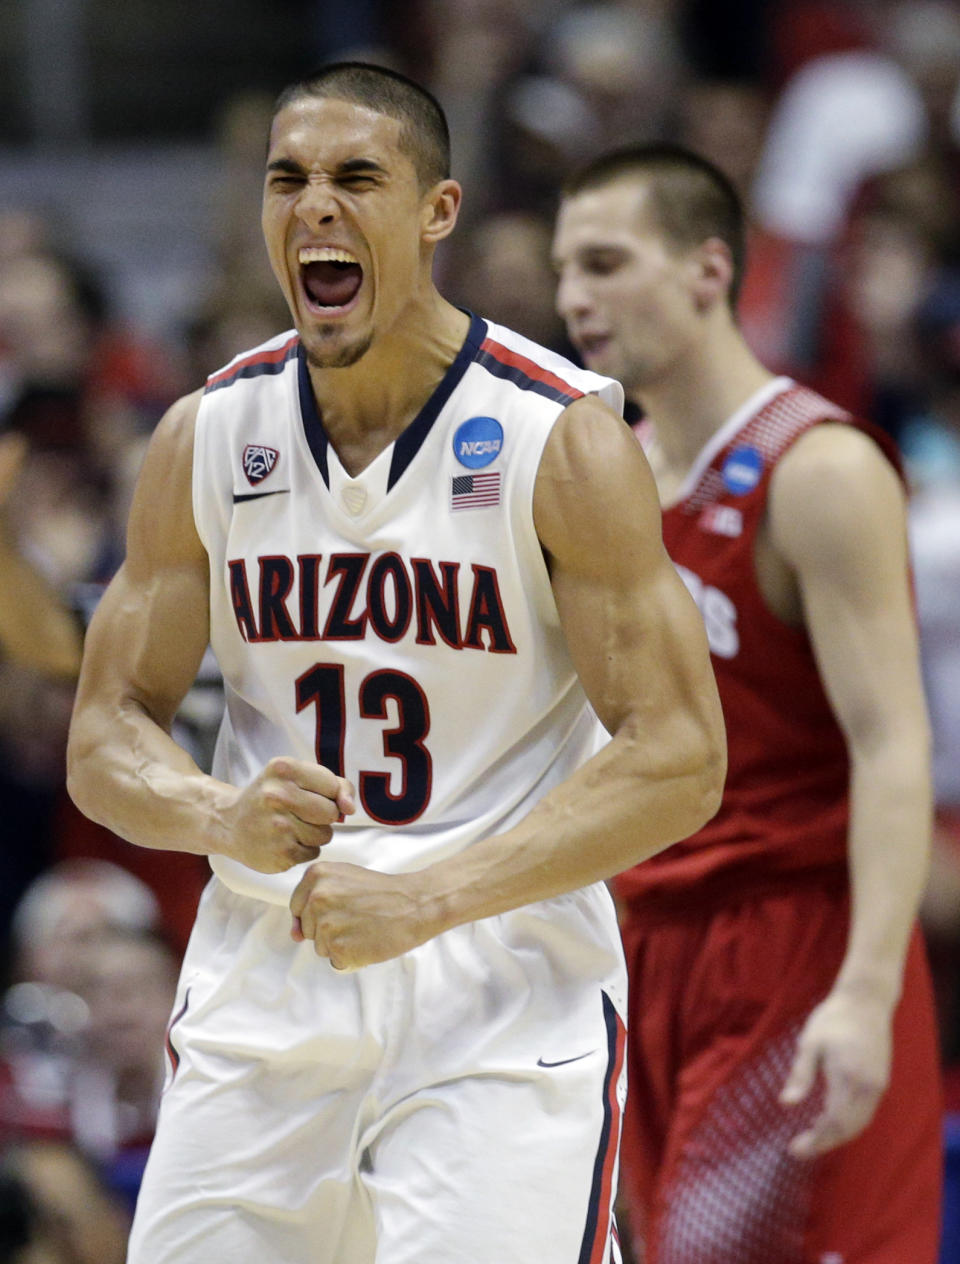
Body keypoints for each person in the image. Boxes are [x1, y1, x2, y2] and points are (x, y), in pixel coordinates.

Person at [65, 64, 725, 1264]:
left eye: (356, 178)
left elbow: (680, 757)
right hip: (272, 973)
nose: (316, 206)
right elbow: (104, 736)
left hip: (496, 980)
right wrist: (217, 808)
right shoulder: (207, 435)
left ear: (438, 211)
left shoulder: (559, 434)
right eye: (289, 180)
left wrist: (430, 893)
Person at [552, 142, 943, 1264]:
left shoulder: (815, 469)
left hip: (793, 940)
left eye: (608, 261)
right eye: (565, 266)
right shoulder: (599, 480)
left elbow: (893, 747)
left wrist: (865, 992)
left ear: (708, 272)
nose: (577, 294)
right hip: (640, 953)